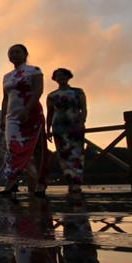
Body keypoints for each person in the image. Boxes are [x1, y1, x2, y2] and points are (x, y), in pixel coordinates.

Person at [0, 44, 48, 196]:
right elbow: (5, 99)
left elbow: (38, 90)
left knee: (36, 148)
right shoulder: (7, 76)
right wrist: (3, 118)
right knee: (13, 148)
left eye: (17, 52)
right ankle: (11, 182)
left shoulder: (34, 71)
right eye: (10, 52)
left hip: (30, 113)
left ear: (25, 54)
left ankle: (40, 183)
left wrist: (27, 109)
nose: (13, 55)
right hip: (11, 117)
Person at [46, 68, 87, 196]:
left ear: (68, 77)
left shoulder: (77, 92)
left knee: (76, 153)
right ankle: (70, 182)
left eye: (62, 75)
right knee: (63, 154)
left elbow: (84, 108)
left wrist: (82, 121)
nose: (60, 78)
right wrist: (47, 129)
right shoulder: (51, 95)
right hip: (58, 126)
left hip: (74, 124)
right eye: (57, 76)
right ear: (54, 79)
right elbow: (50, 113)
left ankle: (77, 182)